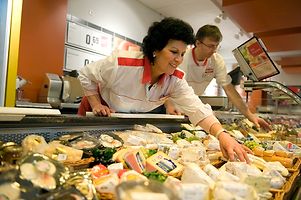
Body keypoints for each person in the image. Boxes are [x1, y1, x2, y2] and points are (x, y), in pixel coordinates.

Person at [77, 17, 250, 162]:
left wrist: (222, 135)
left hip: (127, 121)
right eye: (174, 52)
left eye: (182, 54)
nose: (178, 60)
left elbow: (196, 108)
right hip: (99, 116)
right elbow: (85, 74)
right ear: (155, 49)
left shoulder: (175, 79)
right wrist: (96, 103)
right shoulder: (122, 63)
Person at [165, 24, 270, 130]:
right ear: (198, 43)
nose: (214, 50)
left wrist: (250, 115)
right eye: (210, 46)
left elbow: (230, 90)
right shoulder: (183, 57)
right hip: (174, 106)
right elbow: (167, 82)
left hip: (194, 106)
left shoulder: (216, 60)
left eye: (216, 46)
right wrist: (168, 103)